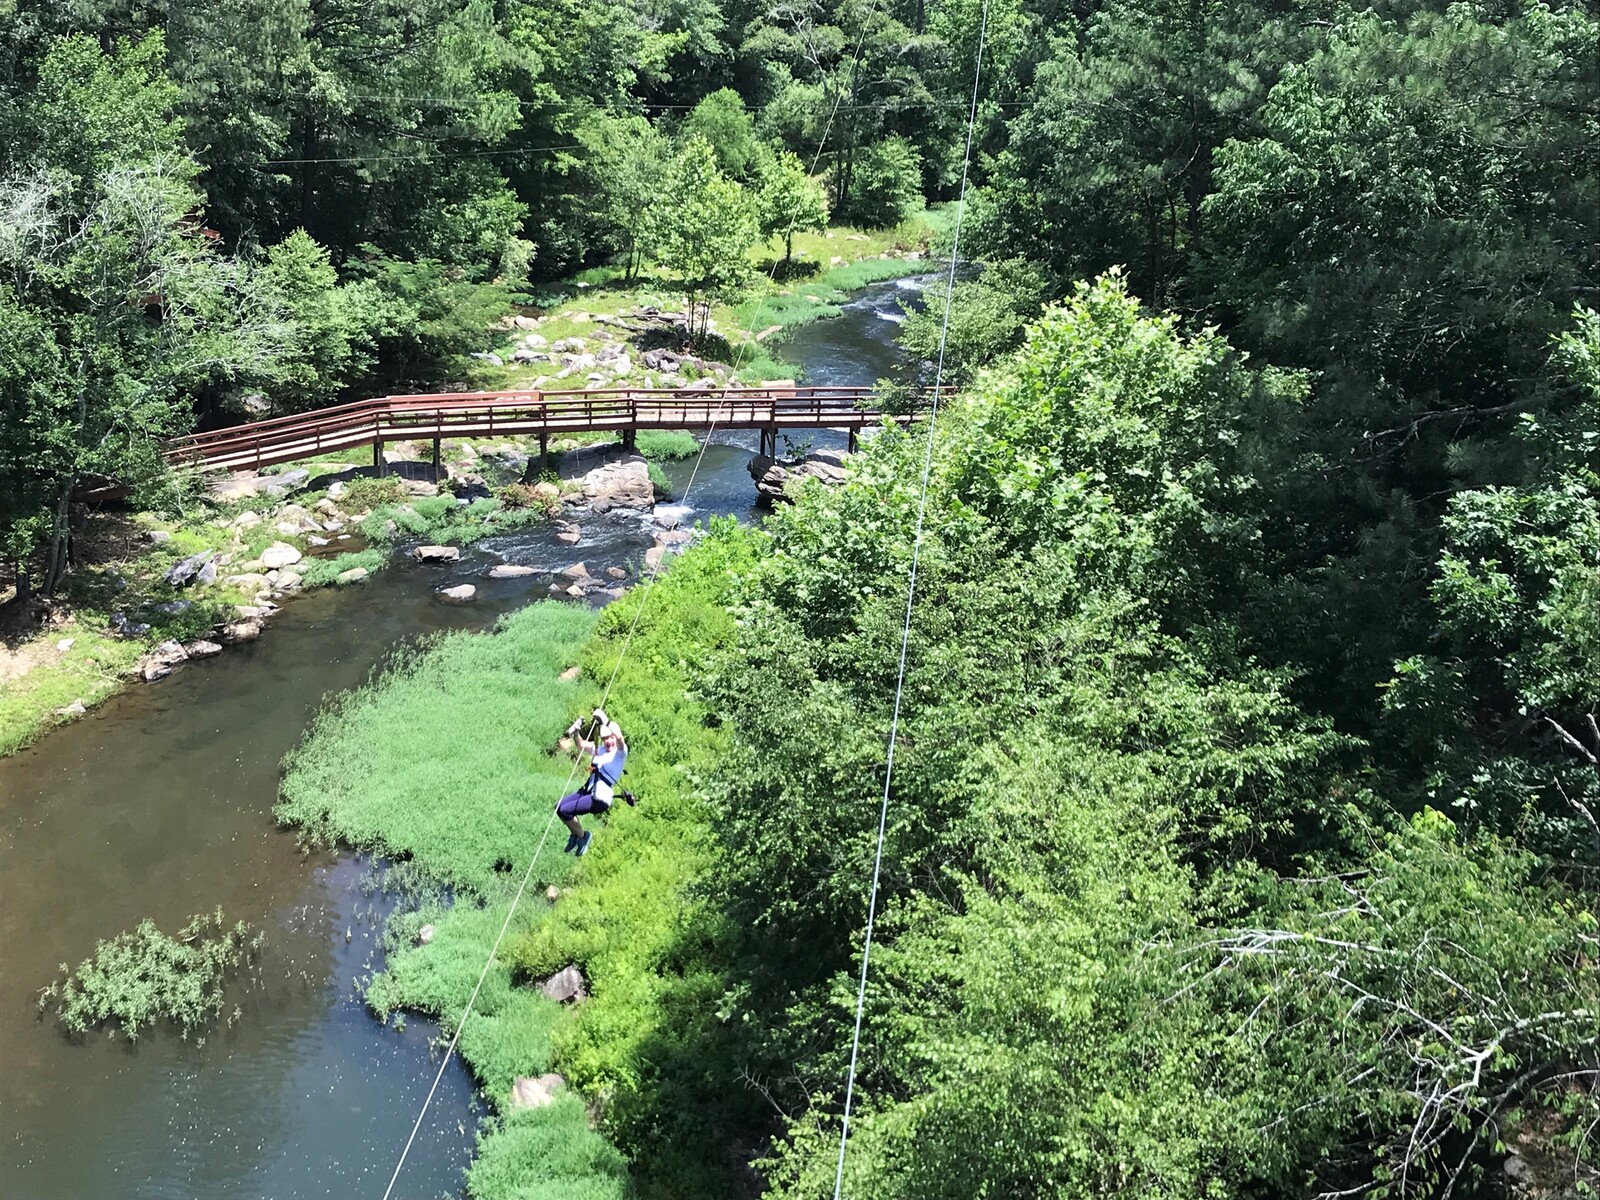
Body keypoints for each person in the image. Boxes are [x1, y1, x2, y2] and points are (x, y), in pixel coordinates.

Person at [557, 708, 627, 855]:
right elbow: (581, 745)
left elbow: (620, 739)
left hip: (600, 798)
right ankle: (575, 835)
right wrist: (576, 732)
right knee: (559, 807)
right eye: (606, 739)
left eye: (611, 738)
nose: (609, 741)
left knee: (565, 810)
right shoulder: (599, 749)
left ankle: (583, 836)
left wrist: (606, 720)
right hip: (588, 790)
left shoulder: (620, 753)